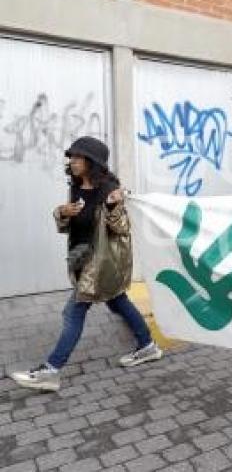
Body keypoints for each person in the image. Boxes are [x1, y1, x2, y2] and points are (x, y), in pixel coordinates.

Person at [11, 137, 162, 392]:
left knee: (73, 313)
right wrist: (62, 213)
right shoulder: (77, 187)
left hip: (101, 265)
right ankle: (148, 346)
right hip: (81, 259)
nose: (72, 161)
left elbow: (122, 230)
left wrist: (114, 206)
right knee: (118, 302)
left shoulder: (109, 191)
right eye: (71, 157)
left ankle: (51, 370)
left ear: (92, 162)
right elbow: (73, 224)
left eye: (78, 157)